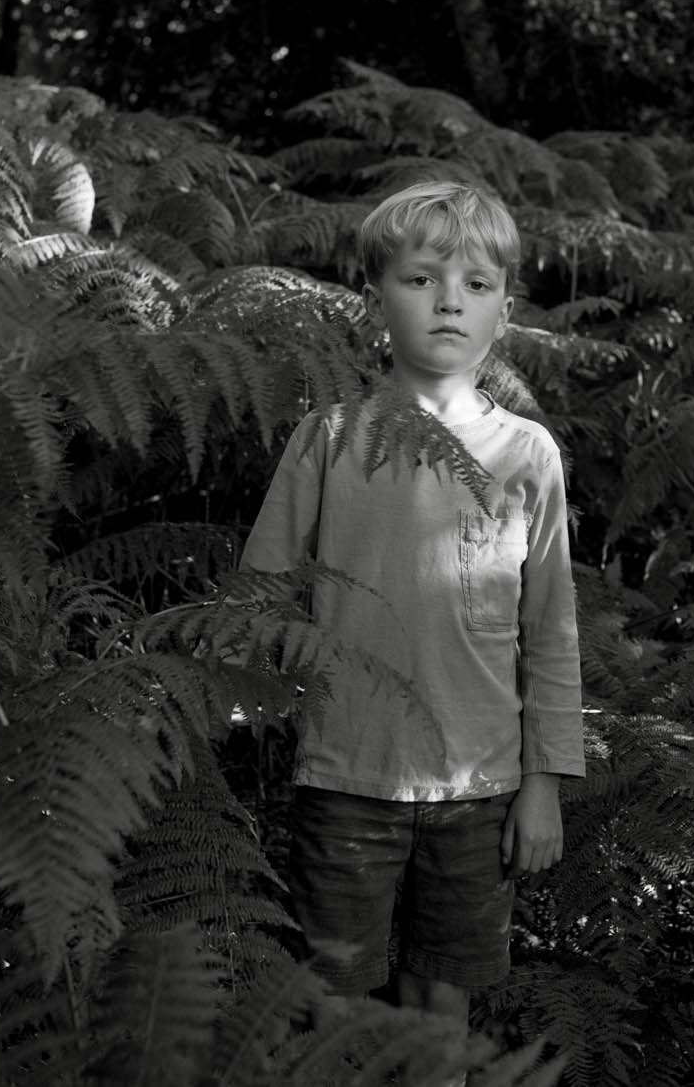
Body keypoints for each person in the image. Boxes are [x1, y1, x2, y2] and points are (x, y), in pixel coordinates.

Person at [240, 178, 585, 1032]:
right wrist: (252, 708)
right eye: (422, 278)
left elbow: (551, 633)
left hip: (482, 788)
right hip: (346, 776)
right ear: (374, 301)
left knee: (442, 1004)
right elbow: (256, 602)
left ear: (504, 312)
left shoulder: (526, 454)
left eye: (475, 285)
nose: (447, 303)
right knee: (334, 1005)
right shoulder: (329, 440)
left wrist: (542, 783)